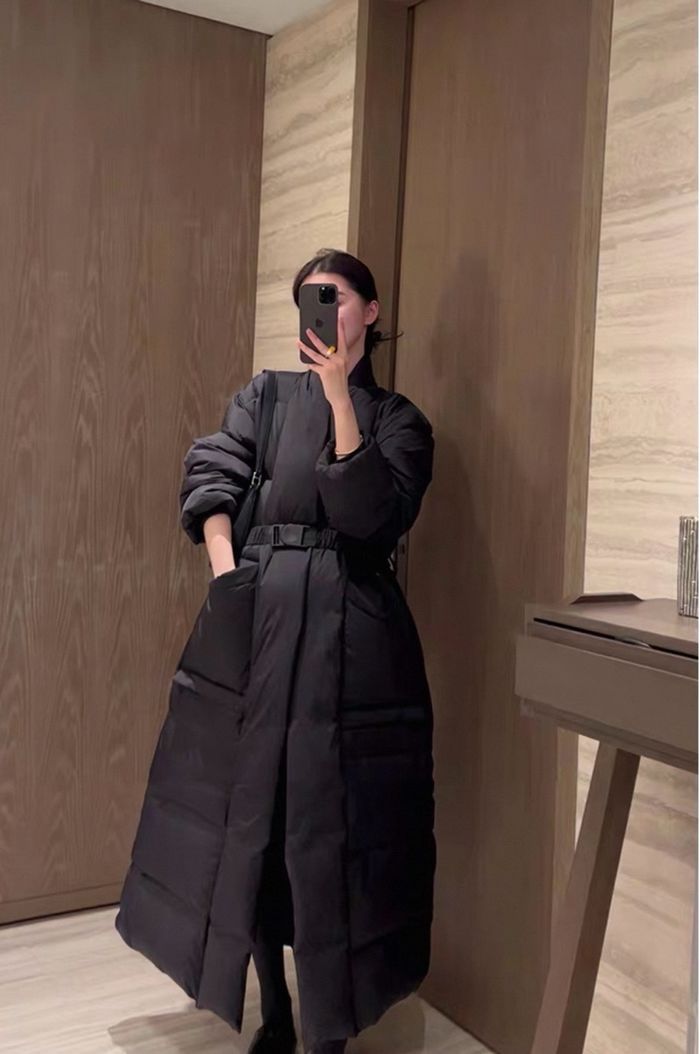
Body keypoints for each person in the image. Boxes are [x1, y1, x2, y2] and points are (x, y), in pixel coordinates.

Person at [114, 249, 437, 1054]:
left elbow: (370, 519)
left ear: (370, 311)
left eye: (334, 297)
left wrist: (339, 397)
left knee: (328, 826)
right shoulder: (263, 396)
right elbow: (213, 471)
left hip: (351, 645)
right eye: (307, 300)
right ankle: (276, 1010)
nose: (319, 311)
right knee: (246, 817)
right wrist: (228, 576)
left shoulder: (400, 421)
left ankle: (330, 1026)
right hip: (254, 629)